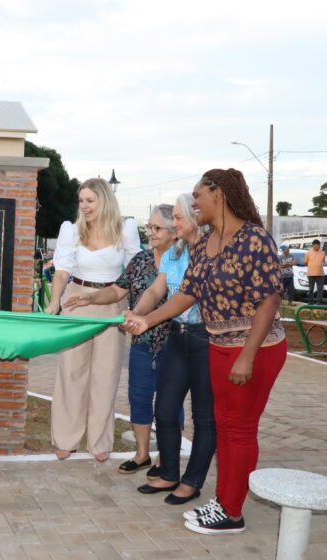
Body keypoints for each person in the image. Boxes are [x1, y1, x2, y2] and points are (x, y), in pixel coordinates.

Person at [125, 168, 286, 535]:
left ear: (219, 195)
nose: (193, 201)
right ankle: (226, 500)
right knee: (224, 426)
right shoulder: (208, 242)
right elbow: (187, 294)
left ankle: (232, 512)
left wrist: (247, 354)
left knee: (240, 429)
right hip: (217, 344)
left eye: (198, 195)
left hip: (256, 348)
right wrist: (147, 320)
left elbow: (270, 300)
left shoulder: (254, 239)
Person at [63, 204, 176, 476]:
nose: (150, 232)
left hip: (175, 342)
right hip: (141, 340)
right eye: (149, 227)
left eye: (156, 228)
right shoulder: (140, 260)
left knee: (169, 402)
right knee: (139, 396)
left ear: (175, 231)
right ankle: (141, 455)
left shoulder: (185, 260)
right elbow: (116, 290)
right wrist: (92, 297)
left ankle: (166, 457)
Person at [45, 177, 140, 461]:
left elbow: (136, 272)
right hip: (76, 300)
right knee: (71, 372)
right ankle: (66, 438)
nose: (84, 206)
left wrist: (136, 309)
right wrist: (54, 303)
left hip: (112, 303)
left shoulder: (126, 230)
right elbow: (61, 271)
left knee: (106, 374)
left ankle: (99, 442)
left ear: (104, 201)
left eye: (90, 201)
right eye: (81, 201)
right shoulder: (71, 231)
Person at [129, 194, 214, 506]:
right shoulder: (174, 253)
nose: (174, 223)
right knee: (164, 410)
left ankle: (192, 482)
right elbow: (156, 289)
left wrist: (146, 320)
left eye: (178, 218)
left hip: (206, 339)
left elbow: (188, 298)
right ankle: (168, 473)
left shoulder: (211, 251)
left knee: (203, 417)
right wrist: (138, 314)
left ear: (193, 218)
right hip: (176, 337)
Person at [304, 239, 325, 304]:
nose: (318, 246)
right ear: (313, 245)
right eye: (316, 245)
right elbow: (306, 262)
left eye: (319, 245)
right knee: (311, 289)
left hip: (320, 274)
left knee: (320, 289)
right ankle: (310, 302)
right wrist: (313, 267)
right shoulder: (308, 253)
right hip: (311, 274)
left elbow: (323, 262)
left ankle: (319, 302)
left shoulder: (323, 253)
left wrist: (318, 266)